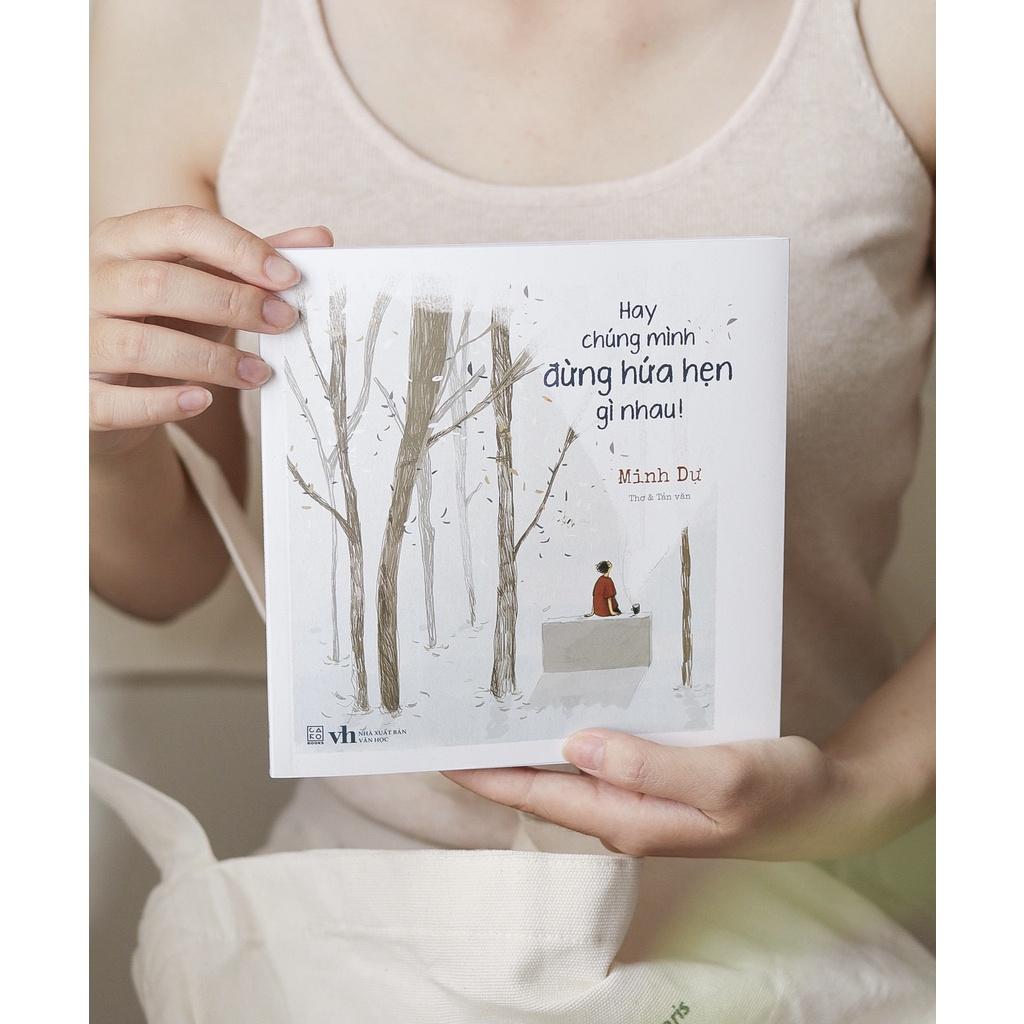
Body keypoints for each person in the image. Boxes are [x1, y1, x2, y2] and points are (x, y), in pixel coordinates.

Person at [91, 0, 934, 902]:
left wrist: (856, 792)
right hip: (363, 902)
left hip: (806, 902)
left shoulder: (921, 33)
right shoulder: (175, 27)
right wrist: (104, 446)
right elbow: (172, 577)